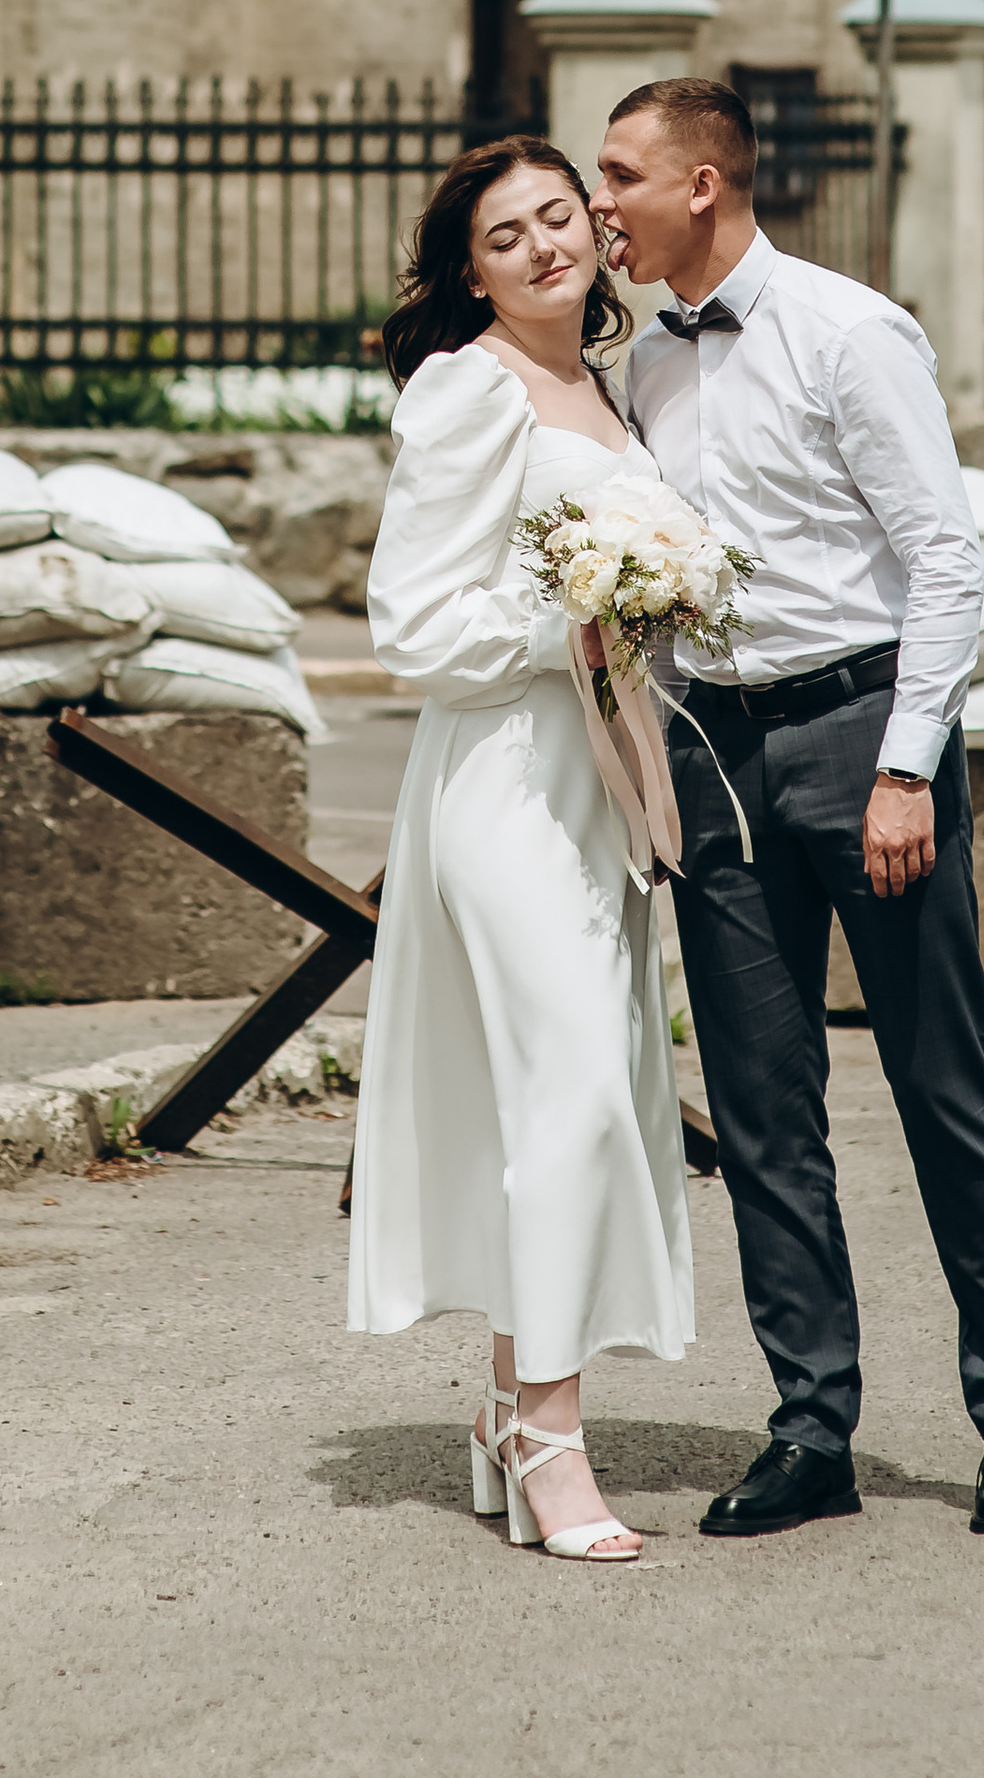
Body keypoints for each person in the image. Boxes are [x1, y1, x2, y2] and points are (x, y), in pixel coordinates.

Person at [592, 76, 984, 1543]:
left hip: (866, 730)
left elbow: (944, 556)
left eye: (620, 175)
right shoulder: (642, 366)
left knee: (943, 1082)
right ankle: (813, 1427)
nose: (600, 202)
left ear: (705, 184)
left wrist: (909, 762)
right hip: (718, 751)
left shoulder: (850, 331)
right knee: (762, 1108)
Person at [348, 135, 694, 1562]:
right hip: (497, 783)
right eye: (508, 234)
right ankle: (553, 1433)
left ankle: (507, 1400)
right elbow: (410, 627)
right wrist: (575, 623)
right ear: (471, 268)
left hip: (596, 786)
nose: (548, 243)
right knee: (570, 1097)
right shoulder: (468, 386)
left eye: (562, 214)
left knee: (585, 1084)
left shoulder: (606, 388)